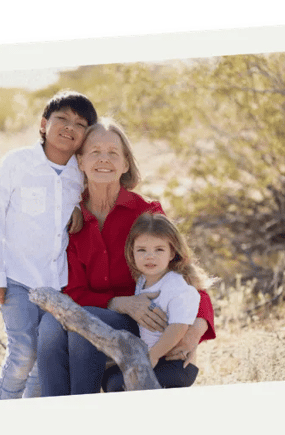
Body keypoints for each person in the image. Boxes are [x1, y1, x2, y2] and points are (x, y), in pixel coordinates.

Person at [38, 118, 216, 396]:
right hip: (99, 310)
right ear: (80, 162)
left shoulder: (146, 213)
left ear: (125, 164)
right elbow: (73, 291)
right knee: (50, 328)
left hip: (145, 325)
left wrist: (193, 333)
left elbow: (187, 275)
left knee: (85, 325)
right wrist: (122, 303)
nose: (104, 159)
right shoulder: (70, 217)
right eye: (95, 152)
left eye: (113, 153)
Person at [0, 90, 98, 399]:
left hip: (57, 283)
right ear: (44, 124)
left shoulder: (80, 173)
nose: (69, 127)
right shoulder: (18, 162)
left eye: (80, 123)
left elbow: (85, 208)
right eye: (62, 118)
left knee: (43, 361)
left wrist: (78, 211)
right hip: (16, 278)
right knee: (24, 352)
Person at [101, 213, 211, 392]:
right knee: (109, 377)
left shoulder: (176, 286)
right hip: (155, 358)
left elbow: (178, 328)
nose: (149, 257)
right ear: (132, 252)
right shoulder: (143, 281)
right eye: (142, 250)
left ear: (172, 253)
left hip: (175, 364)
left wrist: (151, 357)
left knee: (118, 385)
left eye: (159, 250)